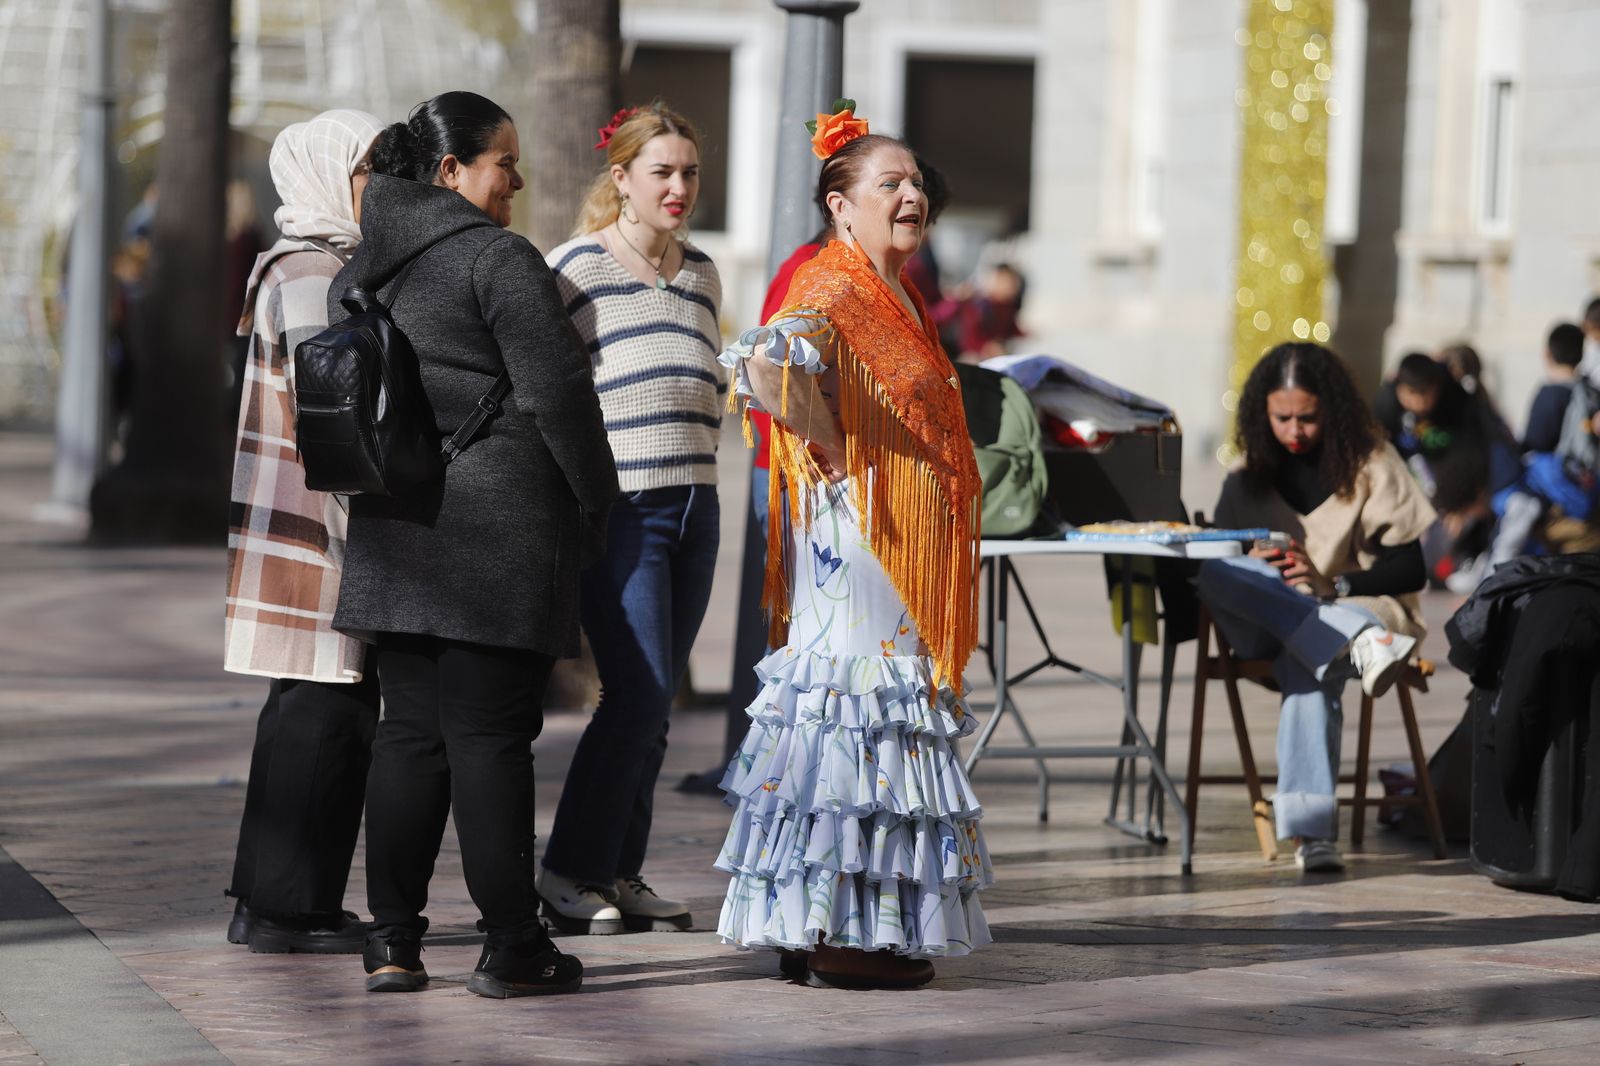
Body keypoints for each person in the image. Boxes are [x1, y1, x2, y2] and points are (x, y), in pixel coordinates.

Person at [333, 91, 619, 998]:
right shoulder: (497, 258)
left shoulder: (365, 267)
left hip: (397, 527)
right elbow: (560, 395)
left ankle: (391, 942)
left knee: (409, 736)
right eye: (505, 162)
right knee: (491, 737)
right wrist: (598, 501)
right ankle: (512, 946)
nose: (517, 181)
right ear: (451, 170)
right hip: (499, 531)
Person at [716, 106, 992, 989]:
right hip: (865, 538)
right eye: (889, 184)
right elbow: (762, 363)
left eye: (915, 183)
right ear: (840, 205)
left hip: (894, 535)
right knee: (856, 716)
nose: (910, 196)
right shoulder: (832, 284)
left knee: (868, 718)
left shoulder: (893, 287)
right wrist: (829, 443)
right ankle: (840, 933)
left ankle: (831, 924)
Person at [535, 104, 722, 935]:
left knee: (659, 705)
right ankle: (567, 872)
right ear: (621, 179)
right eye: (662, 172)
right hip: (623, 511)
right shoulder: (575, 267)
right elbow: (546, 391)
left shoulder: (703, 273)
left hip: (699, 505)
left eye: (689, 172)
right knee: (636, 696)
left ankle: (619, 868)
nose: (679, 187)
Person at [222, 109, 385, 955]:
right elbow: (337, 419)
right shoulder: (313, 272)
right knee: (326, 713)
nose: (379, 186)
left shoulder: (306, 263)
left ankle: (270, 900)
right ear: (326, 174)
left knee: (305, 708)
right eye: (366, 169)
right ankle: (290, 909)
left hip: (300, 520)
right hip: (318, 527)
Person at [1200, 342, 1436, 873]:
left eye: (1307, 418)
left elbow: (1410, 569)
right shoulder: (1247, 472)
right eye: (1281, 418)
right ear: (1262, 412)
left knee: (1309, 658)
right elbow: (1220, 552)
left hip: (1363, 606)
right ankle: (1349, 636)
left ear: (1331, 408)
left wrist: (1332, 585)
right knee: (1214, 570)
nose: (1294, 431)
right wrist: (1252, 561)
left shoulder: (1372, 462)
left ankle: (1310, 832)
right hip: (1284, 620)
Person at [1378, 352, 1519, 588]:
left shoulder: (1458, 402)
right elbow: (1381, 452)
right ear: (1400, 388)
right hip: (1412, 474)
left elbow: (1470, 454)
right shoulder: (1387, 404)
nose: (1420, 403)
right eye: (1412, 395)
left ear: (1437, 388)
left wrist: (1460, 505)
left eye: (1426, 395)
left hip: (1455, 484)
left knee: (1445, 531)